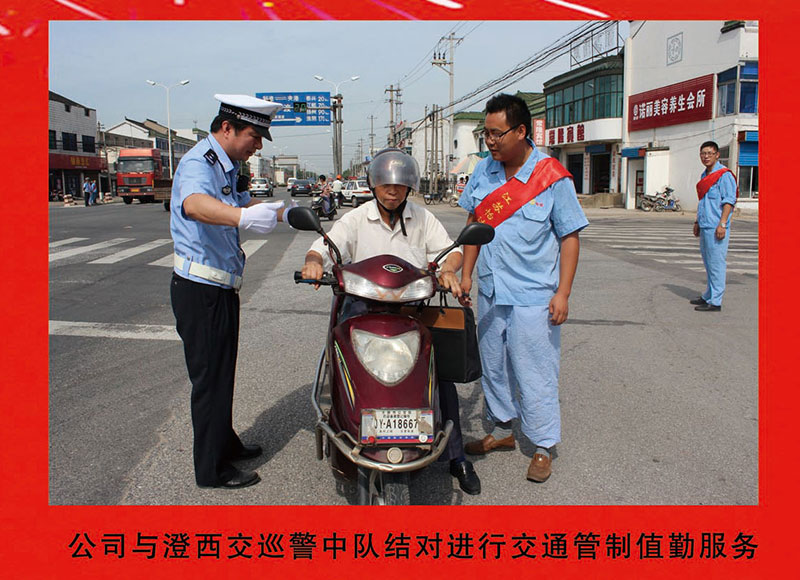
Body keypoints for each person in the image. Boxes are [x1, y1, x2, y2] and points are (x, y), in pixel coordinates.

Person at [300, 148, 482, 495]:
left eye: (400, 186)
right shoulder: (357, 218)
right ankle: (344, 424)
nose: (393, 192)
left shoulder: (422, 217)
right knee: (345, 362)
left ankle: (457, 457)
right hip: (362, 309)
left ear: (409, 188)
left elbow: (451, 251)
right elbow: (325, 246)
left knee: (440, 378)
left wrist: (448, 270)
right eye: (386, 185)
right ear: (374, 185)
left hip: (410, 311)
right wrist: (313, 262)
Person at [458, 93, 588, 483]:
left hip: (533, 295)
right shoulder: (483, 171)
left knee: (535, 372)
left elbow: (569, 237)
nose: (490, 141)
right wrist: (466, 275)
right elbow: (473, 224)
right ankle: (502, 430)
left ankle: (543, 444)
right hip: (491, 290)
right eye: (485, 134)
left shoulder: (551, 176)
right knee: (493, 366)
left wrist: (563, 292)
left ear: (520, 131)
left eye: (496, 134)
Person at [170, 93, 296, 489]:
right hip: (200, 290)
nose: (257, 146)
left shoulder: (225, 166)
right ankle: (212, 469)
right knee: (210, 381)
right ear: (227, 128)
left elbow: (241, 201)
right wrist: (242, 217)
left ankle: (225, 442)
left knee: (223, 374)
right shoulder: (199, 162)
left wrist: (283, 212)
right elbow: (195, 205)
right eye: (253, 137)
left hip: (220, 288)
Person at [690, 141, 737, 312]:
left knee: (716, 264)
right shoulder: (705, 175)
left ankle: (716, 301)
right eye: (703, 153)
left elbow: (729, 201)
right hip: (705, 225)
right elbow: (703, 202)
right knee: (709, 263)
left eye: (710, 153)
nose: (706, 156)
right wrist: (697, 222)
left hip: (717, 226)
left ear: (717, 155)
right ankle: (708, 295)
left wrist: (722, 224)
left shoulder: (724, 175)